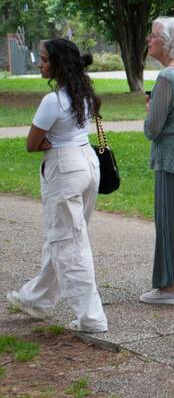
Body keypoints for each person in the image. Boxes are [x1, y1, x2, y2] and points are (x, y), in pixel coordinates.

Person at [6, 38, 108, 333]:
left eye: (44, 59)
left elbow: (31, 143)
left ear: (58, 64)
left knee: (69, 243)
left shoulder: (54, 100)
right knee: (66, 237)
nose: (40, 63)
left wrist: (50, 142)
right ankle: (36, 298)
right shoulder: (84, 94)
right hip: (88, 164)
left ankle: (91, 317)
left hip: (65, 168)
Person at [140, 16, 174, 305]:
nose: (148, 40)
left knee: (169, 222)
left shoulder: (168, 77)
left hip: (171, 160)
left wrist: (150, 110)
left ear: (167, 42)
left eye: (152, 36)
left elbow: (153, 128)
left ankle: (170, 287)